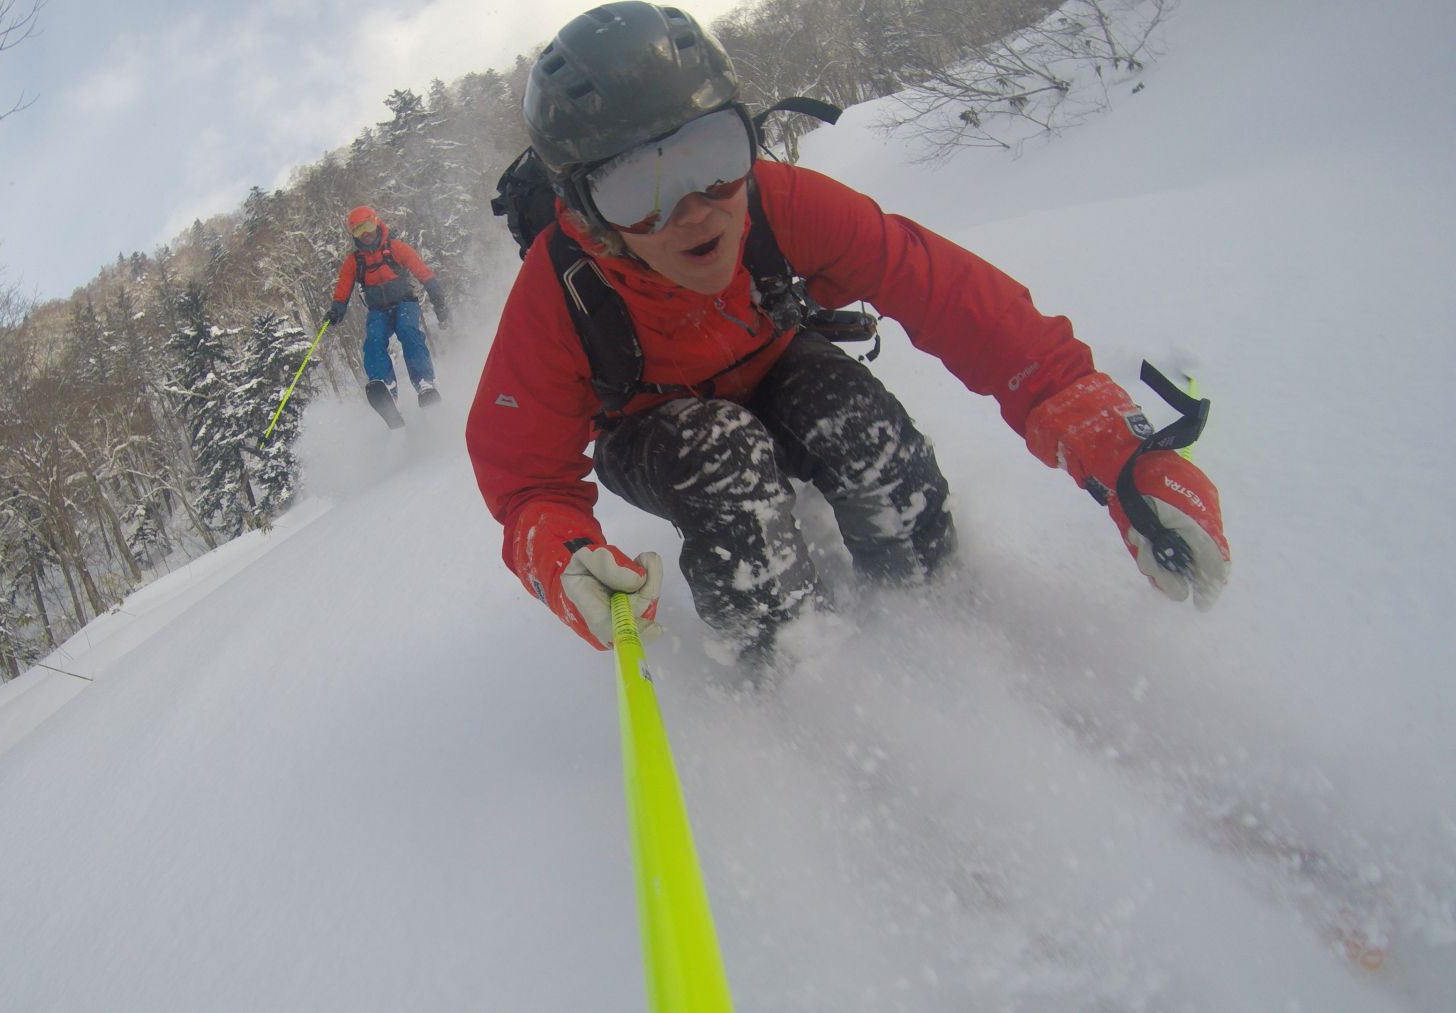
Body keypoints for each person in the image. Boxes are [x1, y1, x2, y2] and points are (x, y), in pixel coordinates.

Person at [464, 2, 1229, 666]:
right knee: (718, 451)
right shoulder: (558, 296)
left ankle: (937, 612)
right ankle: (788, 681)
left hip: (775, 368)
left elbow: (959, 303)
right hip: (653, 434)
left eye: (713, 156)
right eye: (638, 189)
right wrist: (561, 555)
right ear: (587, 213)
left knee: (853, 415)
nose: (696, 209)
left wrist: (1113, 444)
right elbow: (525, 479)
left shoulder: (784, 204)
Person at [326, 205, 451, 427]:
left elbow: (424, 273)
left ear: (377, 223)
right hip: (378, 311)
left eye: (368, 226)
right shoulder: (355, 262)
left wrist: (439, 301)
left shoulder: (396, 248)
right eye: (358, 231)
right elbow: (343, 289)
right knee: (373, 341)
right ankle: (386, 390)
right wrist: (336, 310)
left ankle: (424, 383)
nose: (365, 234)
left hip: (404, 303)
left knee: (408, 331)